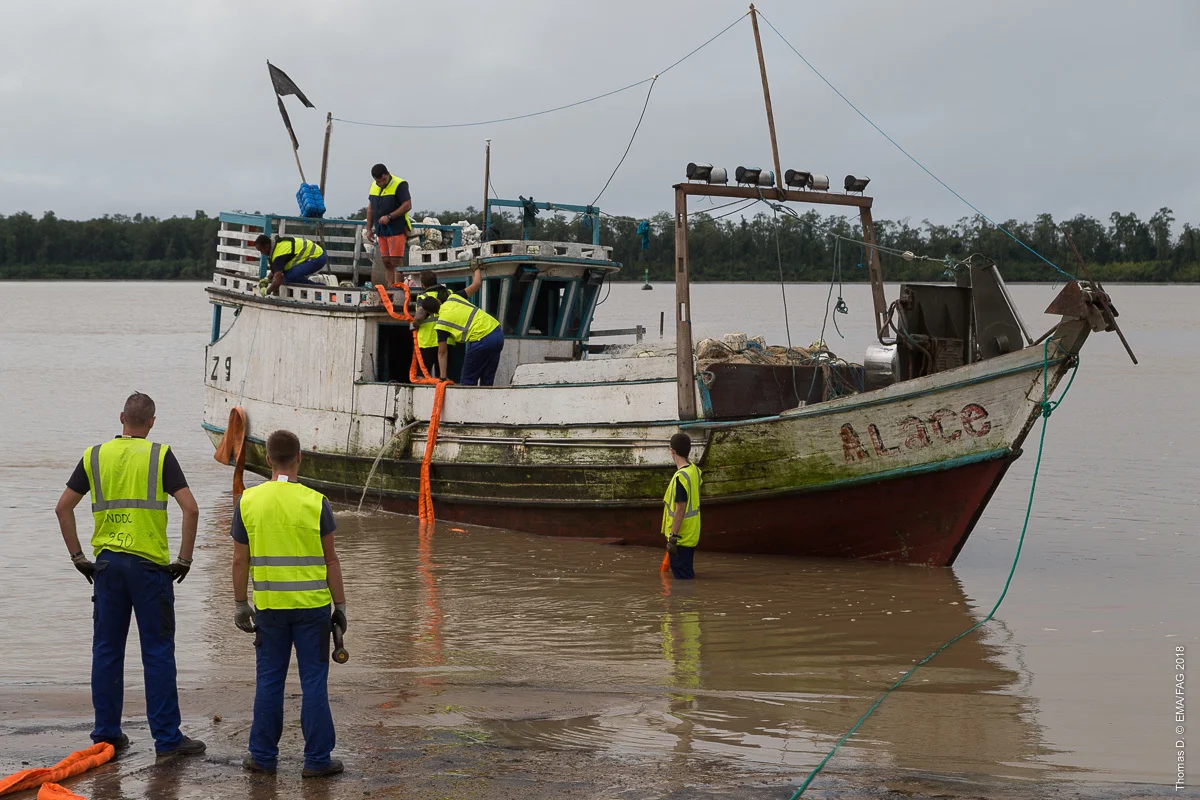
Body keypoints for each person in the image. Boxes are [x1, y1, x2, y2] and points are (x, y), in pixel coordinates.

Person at [54, 392, 206, 758]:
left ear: (121, 417)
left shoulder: (94, 455)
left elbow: (62, 508)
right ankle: (167, 740)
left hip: (107, 566)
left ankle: (106, 735)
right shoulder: (160, 455)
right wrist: (184, 560)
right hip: (150, 567)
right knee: (157, 652)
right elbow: (191, 510)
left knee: (107, 650)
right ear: (152, 422)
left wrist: (78, 557)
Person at [232, 429, 346, 778]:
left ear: (267, 459)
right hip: (312, 609)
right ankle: (317, 761)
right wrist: (340, 607)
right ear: (300, 458)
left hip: (269, 609)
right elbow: (331, 561)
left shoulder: (248, 502)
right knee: (313, 681)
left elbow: (240, 561)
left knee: (269, 680)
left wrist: (240, 604)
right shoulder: (316, 501)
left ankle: (263, 758)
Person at [421, 266, 504, 386]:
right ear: (439, 301)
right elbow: (476, 284)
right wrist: (476, 268)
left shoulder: (441, 324)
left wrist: (443, 377)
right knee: (487, 381)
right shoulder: (454, 297)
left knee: (467, 382)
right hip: (497, 333)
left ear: (431, 313)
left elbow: (442, 353)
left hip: (481, 340)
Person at [364, 164, 412, 287]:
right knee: (386, 261)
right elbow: (370, 209)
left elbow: (407, 205)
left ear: (388, 174)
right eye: (378, 181)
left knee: (396, 260)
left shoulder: (399, 185)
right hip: (381, 230)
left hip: (396, 228)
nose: (381, 183)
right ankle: (389, 288)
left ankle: (398, 289)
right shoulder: (374, 187)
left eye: (383, 180)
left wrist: (390, 217)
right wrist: (369, 229)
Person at [662, 433, 701, 580]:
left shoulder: (680, 477)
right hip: (692, 533)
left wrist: (672, 538)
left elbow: (680, 508)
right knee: (687, 574)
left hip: (680, 538)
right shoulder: (694, 471)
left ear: (672, 451)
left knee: (683, 581)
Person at [253, 234, 327, 296]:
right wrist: (267, 279)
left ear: (266, 247)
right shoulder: (276, 245)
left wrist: (267, 292)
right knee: (288, 275)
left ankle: (321, 290)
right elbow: (277, 268)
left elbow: (278, 281)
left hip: (317, 258)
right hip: (313, 254)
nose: (261, 253)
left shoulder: (279, 254)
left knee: (289, 277)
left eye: (261, 250)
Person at [412, 270, 450, 378]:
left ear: (423, 284)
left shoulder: (423, 297)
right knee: (442, 375)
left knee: (423, 375)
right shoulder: (448, 293)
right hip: (447, 340)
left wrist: (413, 324)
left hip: (427, 342)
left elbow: (420, 315)